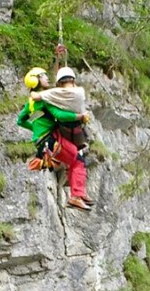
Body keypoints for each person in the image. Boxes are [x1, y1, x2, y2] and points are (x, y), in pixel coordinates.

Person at [17, 67, 93, 212]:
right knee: (77, 158)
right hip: (50, 140)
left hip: (43, 142)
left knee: (74, 160)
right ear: (35, 80)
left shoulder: (31, 103)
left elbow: (20, 121)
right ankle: (76, 196)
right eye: (43, 76)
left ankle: (78, 194)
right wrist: (80, 117)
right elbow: (60, 115)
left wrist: (36, 130)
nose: (47, 78)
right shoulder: (45, 100)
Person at [30, 66, 89, 153]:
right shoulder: (81, 91)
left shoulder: (54, 93)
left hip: (64, 131)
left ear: (59, 83)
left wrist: (31, 89)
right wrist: (81, 116)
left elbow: (35, 96)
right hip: (79, 132)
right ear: (73, 81)